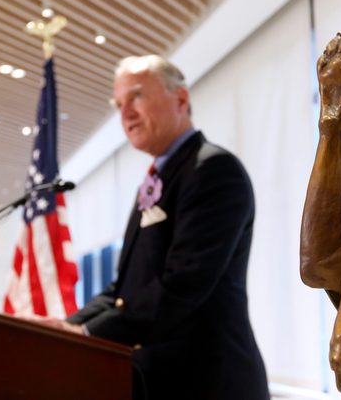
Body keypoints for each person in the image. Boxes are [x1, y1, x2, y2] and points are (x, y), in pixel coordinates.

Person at [31, 55, 269, 400]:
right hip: (157, 382)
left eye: (137, 97)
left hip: (210, 383)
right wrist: (67, 328)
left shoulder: (213, 170)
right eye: (118, 103)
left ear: (181, 99)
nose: (124, 113)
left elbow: (182, 286)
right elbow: (121, 290)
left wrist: (85, 333)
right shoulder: (155, 181)